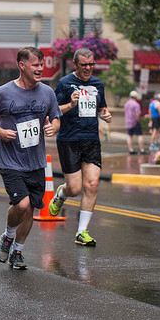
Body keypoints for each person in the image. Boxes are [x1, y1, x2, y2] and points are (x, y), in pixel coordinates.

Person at [0, 47, 61, 269]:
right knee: (22, 203)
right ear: (22, 65)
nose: (40, 69)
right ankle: (8, 236)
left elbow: (56, 117)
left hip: (36, 161)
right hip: (11, 160)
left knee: (31, 208)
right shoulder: (3, 93)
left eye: (41, 65)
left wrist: (53, 127)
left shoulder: (47, 92)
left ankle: (17, 252)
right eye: (35, 65)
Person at [48, 48, 112, 246]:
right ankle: (62, 194)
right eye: (84, 64)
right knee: (74, 188)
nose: (88, 68)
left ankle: (82, 232)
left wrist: (105, 115)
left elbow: (102, 107)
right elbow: (54, 110)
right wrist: (70, 105)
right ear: (75, 64)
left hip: (91, 139)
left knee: (92, 184)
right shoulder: (65, 83)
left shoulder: (97, 84)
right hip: (69, 140)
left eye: (91, 64)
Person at [124, 90, 146, 154]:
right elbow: (137, 115)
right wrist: (139, 121)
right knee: (140, 135)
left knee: (129, 136)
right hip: (135, 122)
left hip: (128, 122)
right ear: (136, 97)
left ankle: (131, 150)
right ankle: (142, 149)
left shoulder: (126, 104)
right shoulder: (136, 104)